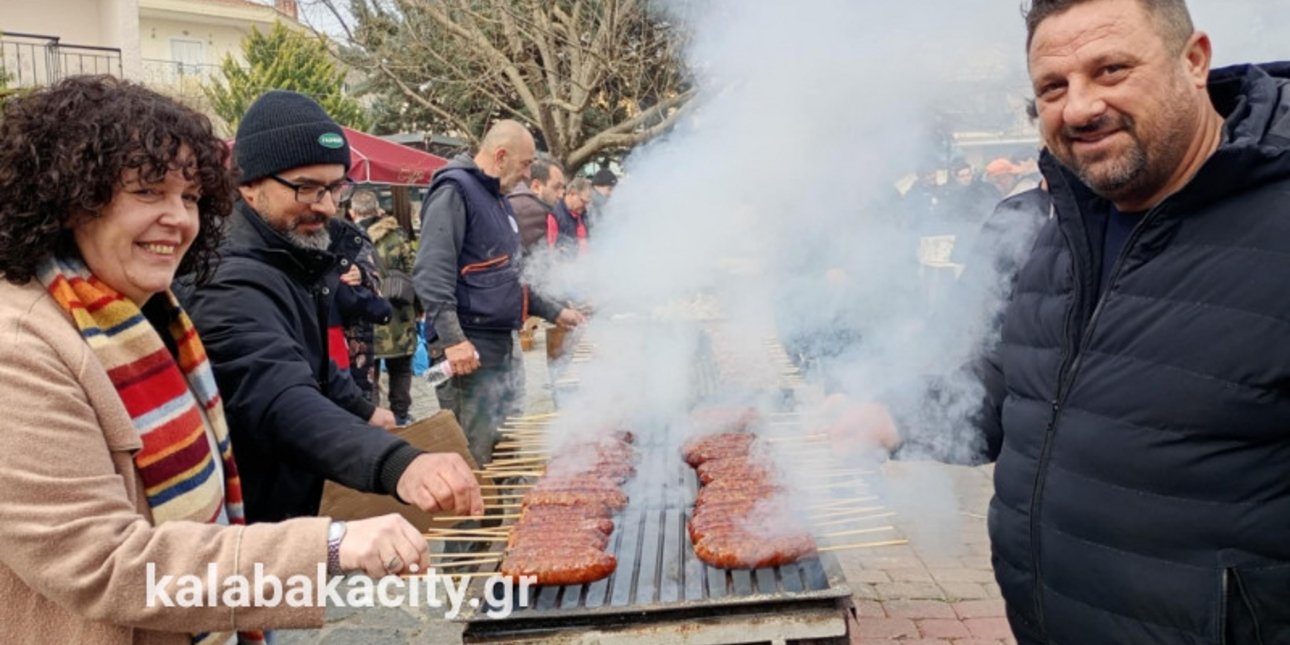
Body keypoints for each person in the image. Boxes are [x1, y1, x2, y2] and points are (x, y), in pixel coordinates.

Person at [845, 1, 1290, 642]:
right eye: (1053, 86)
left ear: (1193, 62)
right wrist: (895, 418)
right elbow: (1019, 384)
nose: (1078, 107)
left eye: (1110, 70)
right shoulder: (1056, 223)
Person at [0, 76, 433, 644]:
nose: (179, 218)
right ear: (71, 197)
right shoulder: (19, 349)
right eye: (149, 192)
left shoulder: (147, 310)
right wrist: (328, 545)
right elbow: (102, 563)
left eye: (189, 196)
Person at [180, 90, 482, 524]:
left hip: (293, 502)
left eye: (334, 187)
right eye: (305, 188)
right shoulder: (226, 278)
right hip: (250, 522)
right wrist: (398, 464)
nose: (324, 205)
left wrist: (360, 408)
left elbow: (310, 360)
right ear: (249, 185)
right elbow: (279, 396)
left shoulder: (292, 251)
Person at [414, 119, 585, 468]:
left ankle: (506, 517)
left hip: (498, 344)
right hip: (467, 349)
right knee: (476, 454)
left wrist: (555, 311)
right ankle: (471, 523)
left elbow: (513, 276)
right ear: (501, 155)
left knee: (503, 448)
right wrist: (453, 339)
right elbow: (432, 272)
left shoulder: (499, 200)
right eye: (524, 164)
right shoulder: (454, 191)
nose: (527, 175)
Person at [352, 190, 420, 426]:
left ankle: (375, 417)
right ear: (377, 209)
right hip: (399, 312)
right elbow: (414, 271)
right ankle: (401, 415)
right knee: (401, 369)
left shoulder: (351, 239)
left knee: (370, 371)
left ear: (354, 211)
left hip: (368, 315)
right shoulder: (397, 235)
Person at [330, 201, 391, 402]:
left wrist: (362, 274)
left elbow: (377, 283)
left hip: (357, 340)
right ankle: (400, 414)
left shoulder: (351, 237)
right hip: (347, 341)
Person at [508, 158, 565, 253]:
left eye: (562, 188)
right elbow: (537, 259)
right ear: (536, 186)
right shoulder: (532, 211)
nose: (561, 195)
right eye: (556, 187)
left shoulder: (518, 200)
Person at [548, 176, 592, 255]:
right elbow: (551, 248)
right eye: (583, 201)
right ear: (572, 193)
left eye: (587, 203)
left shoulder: (583, 215)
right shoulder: (555, 215)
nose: (585, 207)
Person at [587, 167, 616, 231]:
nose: (611, 194)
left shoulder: (598, 204)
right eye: (609, 189)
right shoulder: (590, 205)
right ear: (597, 186)